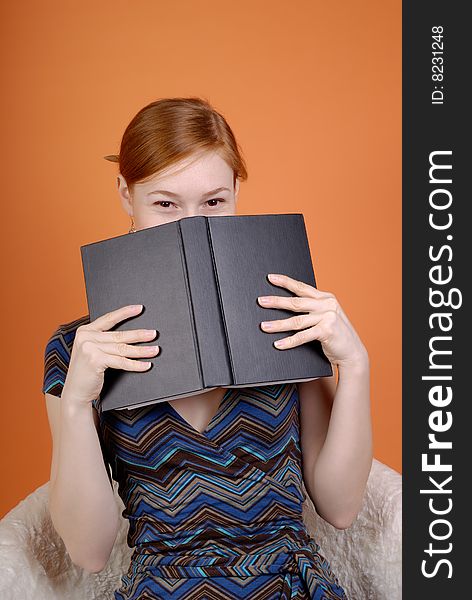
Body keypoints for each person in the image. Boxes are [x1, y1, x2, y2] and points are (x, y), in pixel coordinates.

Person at [42, 97, 372, 599]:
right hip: (164, 589)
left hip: (291, 586)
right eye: (165, 203)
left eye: (213, 202)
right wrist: (75, 404)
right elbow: (89, 551)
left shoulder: (287, 314)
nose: (190, 225)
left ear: (237, 192)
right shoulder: (78, 348)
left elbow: (341, 508)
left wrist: (354, 366)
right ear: (126, 195)